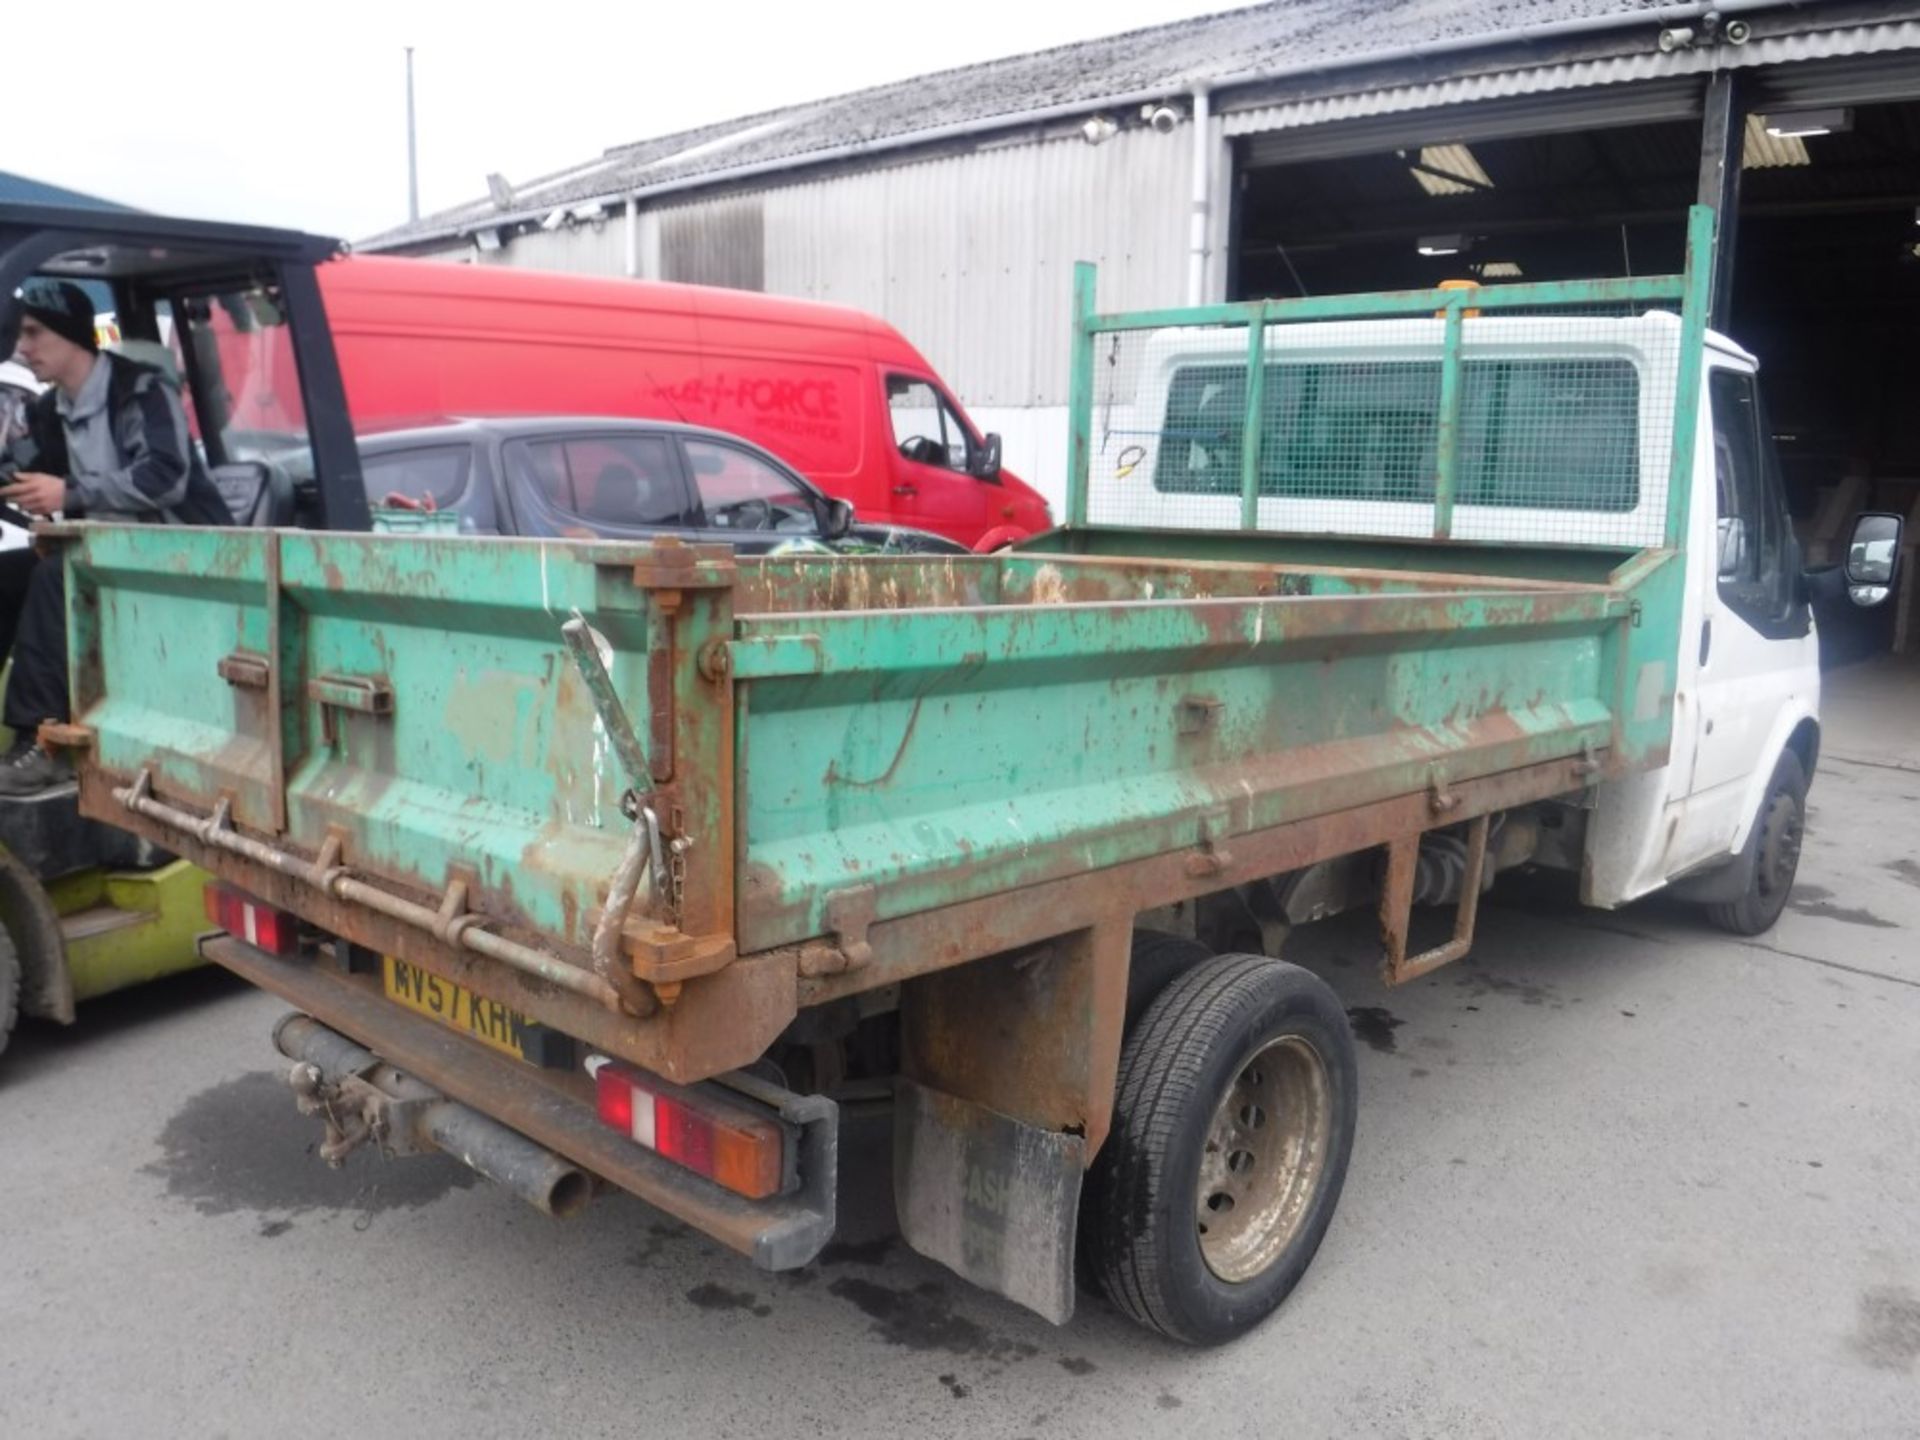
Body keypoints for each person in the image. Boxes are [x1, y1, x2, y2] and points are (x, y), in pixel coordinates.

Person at [0, 280, 231, 795]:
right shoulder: (47, 411)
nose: (23, 348)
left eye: (35, 333)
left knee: (55, 576)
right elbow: (45, 476)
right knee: (9, 575)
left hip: (182, 549)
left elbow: (165, 476)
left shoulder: (143, 390)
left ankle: (42, 742)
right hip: (111, 551)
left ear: (71, 334)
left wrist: (69, 494)